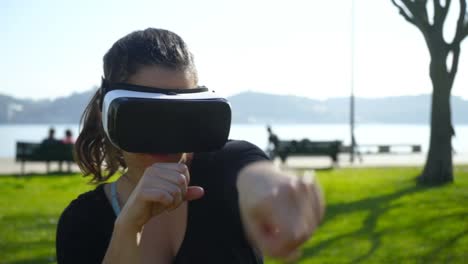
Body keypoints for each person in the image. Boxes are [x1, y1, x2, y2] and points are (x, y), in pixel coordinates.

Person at [56, 28, 325, 264]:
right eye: (144, 117)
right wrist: (128, 228)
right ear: (108, 116)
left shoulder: (227, 166)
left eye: (182, 115)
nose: (166, 136)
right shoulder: (81, 223)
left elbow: (253, 176)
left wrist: (272, 191)